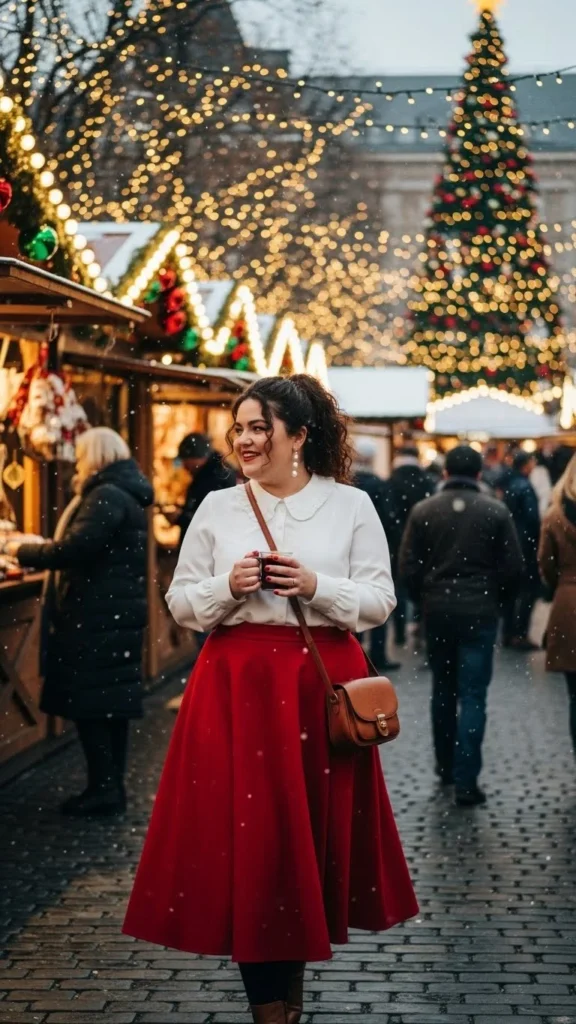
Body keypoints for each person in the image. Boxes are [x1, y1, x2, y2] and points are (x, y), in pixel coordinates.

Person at [123, 375, 418, 1024]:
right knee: (252, 848)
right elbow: (181, 603)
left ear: (300, 435)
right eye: (241, 427)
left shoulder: (349, 506)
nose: (247, 439)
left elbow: (378, 601)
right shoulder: (220, 508)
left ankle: (289, 997)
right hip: (237, 688)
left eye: (261, 427)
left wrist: (315, 585)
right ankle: (272, 1012)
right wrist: (228, 587)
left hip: (316, 689)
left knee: (303, 846)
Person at [4, 427, 153, 816]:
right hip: (111, 615)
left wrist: (20, 550)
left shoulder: (105, 495)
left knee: (94, 706)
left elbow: (76, 549)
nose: (77, 461)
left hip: (97, 617)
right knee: (109, 708)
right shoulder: (123, 492)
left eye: (83, 453)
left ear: (96, 455)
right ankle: (109, 787)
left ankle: (104, 791)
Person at [399, 445, 523, 807]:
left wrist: (424, 600)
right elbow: (513, 568)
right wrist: (496, 600)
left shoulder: (424, 511)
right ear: (480, 474)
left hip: (438, 610)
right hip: (479, 611)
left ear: (445, 473)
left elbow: (408, 567)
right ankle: (467, 780)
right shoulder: (495, 510)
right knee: (473, 695)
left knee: (443, 690)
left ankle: (446, 766)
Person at [538, 453, 576, 758]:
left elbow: (545, 564)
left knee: (575, 697)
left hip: (569, 607)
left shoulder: (555, 516)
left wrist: (561, 585)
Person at [352, 437, 401, 671]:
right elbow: (390, 522)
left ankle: (356, 651)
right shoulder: (380, 485)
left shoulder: (345, 485)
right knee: (377, 601)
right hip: (376, 552)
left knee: (352, 603)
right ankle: (378, 655)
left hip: (347, 552)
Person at [388, 444, 434, 644]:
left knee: (397, 588)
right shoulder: (425, 481)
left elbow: (387, 514)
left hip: (394, 542)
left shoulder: (391, 482)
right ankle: (421, 626)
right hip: (422, 541)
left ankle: (399, 633)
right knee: (422, 584)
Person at [498, 450, 541, 650]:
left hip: (511, 545)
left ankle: (508, 632)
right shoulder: (524, 486)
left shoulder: (509, 485)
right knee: (527, 592)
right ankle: (520, 633)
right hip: (525, 545)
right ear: (526, 464)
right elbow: (532, 519)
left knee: (511, 591)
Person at [164, 432, 236, 544]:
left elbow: (210, 520)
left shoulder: (216, 478)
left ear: (197, 457)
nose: (184, 466)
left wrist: (181, 518)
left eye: (185, 460)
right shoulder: (207, 475)